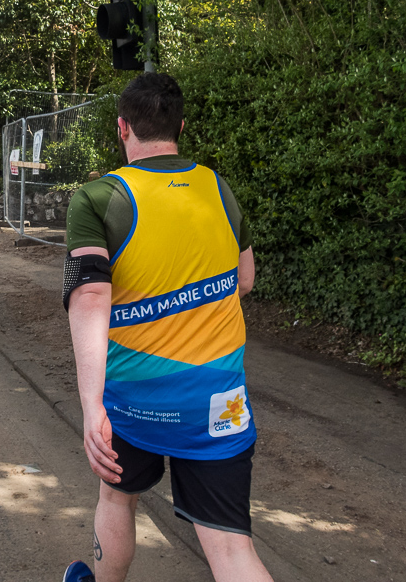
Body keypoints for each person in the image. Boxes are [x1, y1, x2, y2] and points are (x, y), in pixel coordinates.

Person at [61, 73, 270, 582]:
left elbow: (90, 294)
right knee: (230, 546)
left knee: (117, 494)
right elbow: (245, 279)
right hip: (217, 399)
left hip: (134, 398)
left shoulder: (98, 197)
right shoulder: (216, 187)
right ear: (180, 125)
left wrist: (91, 407)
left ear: (122, 128)